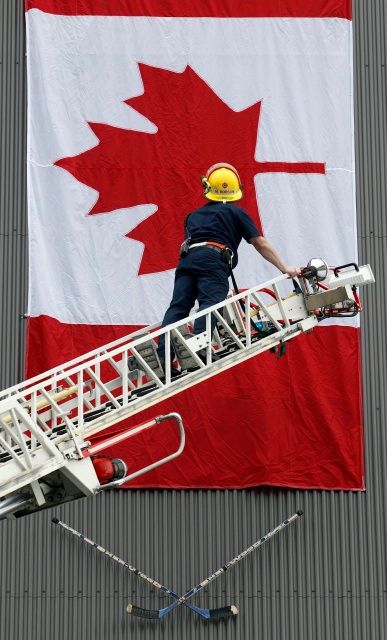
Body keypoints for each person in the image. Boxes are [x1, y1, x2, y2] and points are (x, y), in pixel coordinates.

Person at [157, 162, 300, 368]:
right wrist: (284, 268)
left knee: (179, 307)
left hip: (187, 261)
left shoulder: (192, 216)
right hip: (213, 261)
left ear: (208, 188)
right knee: (210, 302)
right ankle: (199, 348)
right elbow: (260, 243)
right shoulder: (236, 213)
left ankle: (163, 356)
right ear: (236, 189)